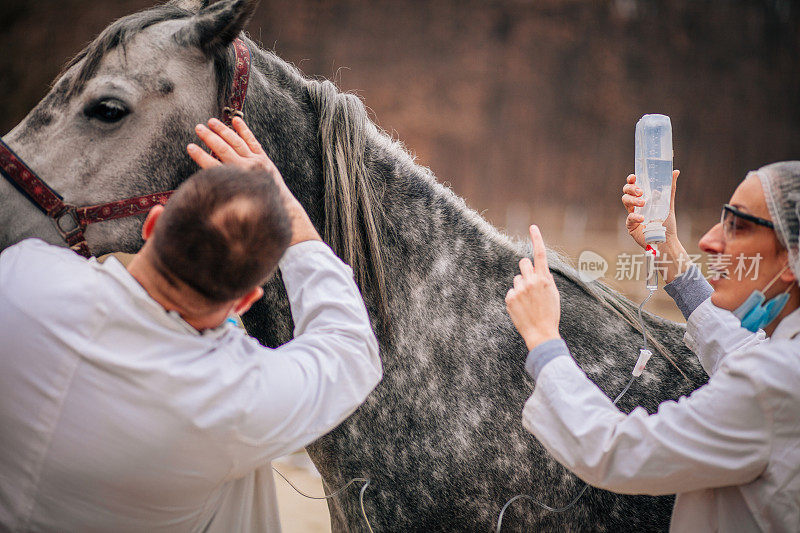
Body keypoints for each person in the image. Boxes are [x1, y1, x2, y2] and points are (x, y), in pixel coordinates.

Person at [0, 117, 382, 532]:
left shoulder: (20, 274)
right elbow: (351, 347)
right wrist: (291, 213)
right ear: (247, 299)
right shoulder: (234, 400)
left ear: (152, 224)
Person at [505, 163, 800, 532]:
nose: (708, 240)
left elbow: (615, 451)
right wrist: (666, 247)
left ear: (791, 256)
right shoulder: (786, 358)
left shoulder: (776, 382)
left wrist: (542, 338)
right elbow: (742, 348)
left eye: (737, 226)